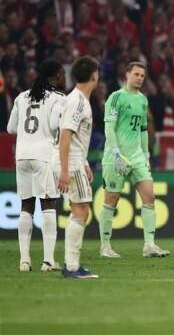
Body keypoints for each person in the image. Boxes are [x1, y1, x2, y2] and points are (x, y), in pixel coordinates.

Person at [99, 62, 169, 258]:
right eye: (136, 74)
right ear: (127, 74)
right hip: (116, 157)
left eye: (142, 76)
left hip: (137, 156)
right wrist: (115, 153)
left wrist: (146, 154)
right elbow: (109, 127)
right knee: (111, 200)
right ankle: (105, 246)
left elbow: (143, 129)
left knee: (149, 196)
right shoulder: (116, 97)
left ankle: (149, 245)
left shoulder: (143, 100)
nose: (139, 78)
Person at [6, 59, 66, 272]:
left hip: (22, 156)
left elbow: (11, 128)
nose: (64, 77)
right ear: (57, 75)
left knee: (26, 205)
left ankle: (24, 261)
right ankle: (48, 261)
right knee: (48, 204)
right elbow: (54, 125)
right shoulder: (58, 98)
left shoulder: (21, 97)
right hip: (44, 155)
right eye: (62, 73)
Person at [55, 56, 100, 279]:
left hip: (74, 161)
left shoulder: (75, 99)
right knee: (81, 211)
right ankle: (72, 267)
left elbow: (75, 139)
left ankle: (71, 265)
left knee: (79, 210)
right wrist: (65, 170)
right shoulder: (78, 102)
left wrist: (85, 163)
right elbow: (65, 135)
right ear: (94, 76)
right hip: (69, 163)